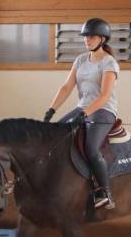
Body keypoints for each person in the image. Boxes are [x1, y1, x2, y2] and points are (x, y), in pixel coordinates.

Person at [43, 18, 120, 209]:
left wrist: (85, 114)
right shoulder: (80, 60)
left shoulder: (109, 62)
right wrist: (51, 109)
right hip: (82, 107)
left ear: (102, 39)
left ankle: (105, 192)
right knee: (54, 135)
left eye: (91, 36)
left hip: (103, 110)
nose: (87, 40)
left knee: (91, 148)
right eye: (86, 36)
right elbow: (66, 86)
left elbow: (104, 96)